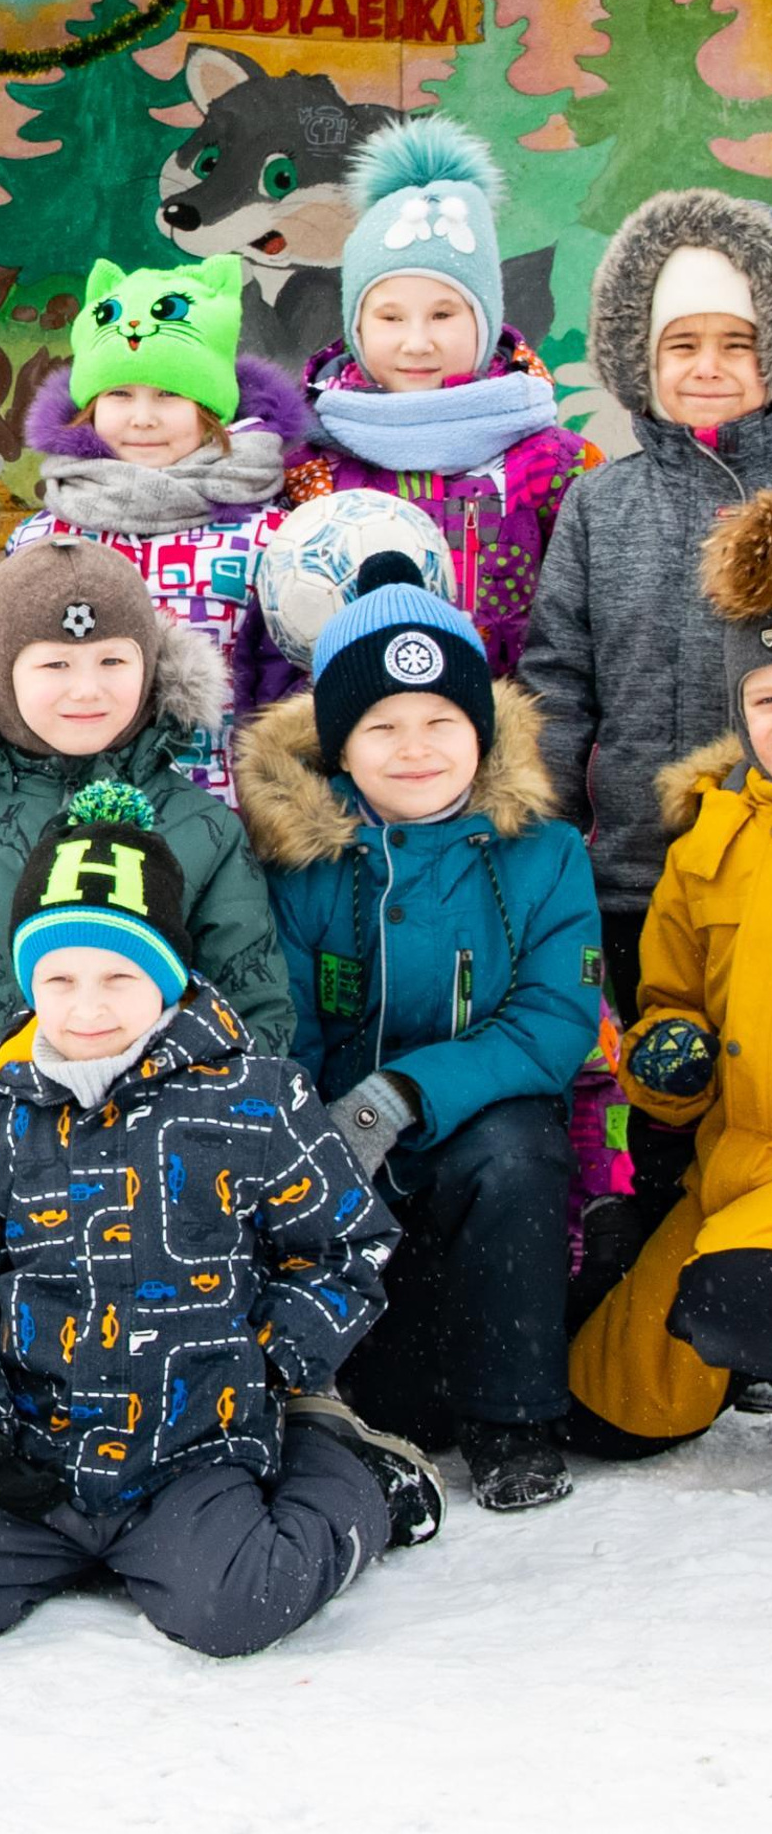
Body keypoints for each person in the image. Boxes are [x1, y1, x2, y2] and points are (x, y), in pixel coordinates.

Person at [0, 792, 434, 1657]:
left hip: (194, 1445)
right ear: (28, 983)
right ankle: (95, 1550)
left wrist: (271, 1359)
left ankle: (352, 1478)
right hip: (40, 1453)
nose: (88, 1007)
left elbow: (345, 1247)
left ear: (166, 975)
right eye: (59, 979)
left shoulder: (255, 1101)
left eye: (120, 976)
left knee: (233, 1608)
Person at [236, 553, 601, 1512]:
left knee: (518, 1151)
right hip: (340, 1151)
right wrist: (310, 1137)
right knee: (399, 1397)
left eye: (442, 721)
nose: (415, 747)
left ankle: (514, 1422)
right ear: (339, 748)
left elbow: (554, 1019)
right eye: (381, 726)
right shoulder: (302, 865)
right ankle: (340, 1401)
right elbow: (286, 1019)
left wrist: (404, 1094)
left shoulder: (547, 855)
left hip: (474, 1134)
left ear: (480, 732)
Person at [0, 534, 292, 1149]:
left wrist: (225, 1144)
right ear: (1, 675)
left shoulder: (204, 828)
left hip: (160, 1161)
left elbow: (254, 1006)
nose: (86, 690)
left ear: (151, 666)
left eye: (112, 662)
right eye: (54, 665)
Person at [524, 185, 772, 1008]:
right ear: (642, 358)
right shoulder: (601, 502)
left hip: (758, 878)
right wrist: (547, 837)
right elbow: (559, 681)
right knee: (644, 1099)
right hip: (621, 878)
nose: (708, 367)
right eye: (682, 344)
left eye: (738, 344)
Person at [571, 491, 772, 1455]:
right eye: (771, 700)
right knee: (614, 1403)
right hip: (731, 1164)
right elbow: (666, 1006)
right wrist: (667, 1063)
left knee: (742, 1293)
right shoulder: (707, 847)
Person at [284, 121, 598, 677]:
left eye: (444, 314)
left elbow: (593, 618)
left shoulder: (557, 463)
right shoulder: (312, 463)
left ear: (485, 319)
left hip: (519, 738)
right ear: (356, 326)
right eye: (389, 317)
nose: (417, 342)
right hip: (364, 733)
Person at [9, 253, 307, 797]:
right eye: (119, 395)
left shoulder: (268, 539)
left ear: (210, 411)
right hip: (74, 815)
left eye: (169, 394)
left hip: (224, 812)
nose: (142, 417)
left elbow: (291, 692)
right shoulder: (41, 542)